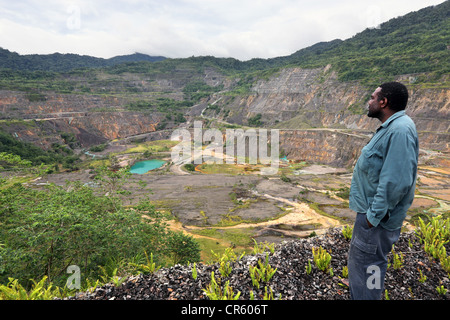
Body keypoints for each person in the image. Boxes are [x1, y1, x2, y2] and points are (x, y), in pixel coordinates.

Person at [347, 81, 419, 300]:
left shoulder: (399, 131)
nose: (369, 102)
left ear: (383, 101)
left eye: (372, 97)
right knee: (367, 268)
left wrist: (372, 218)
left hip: (376, 221)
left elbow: (395, 182)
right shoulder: (395, 127)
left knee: (369, 270)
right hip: (374, 218)